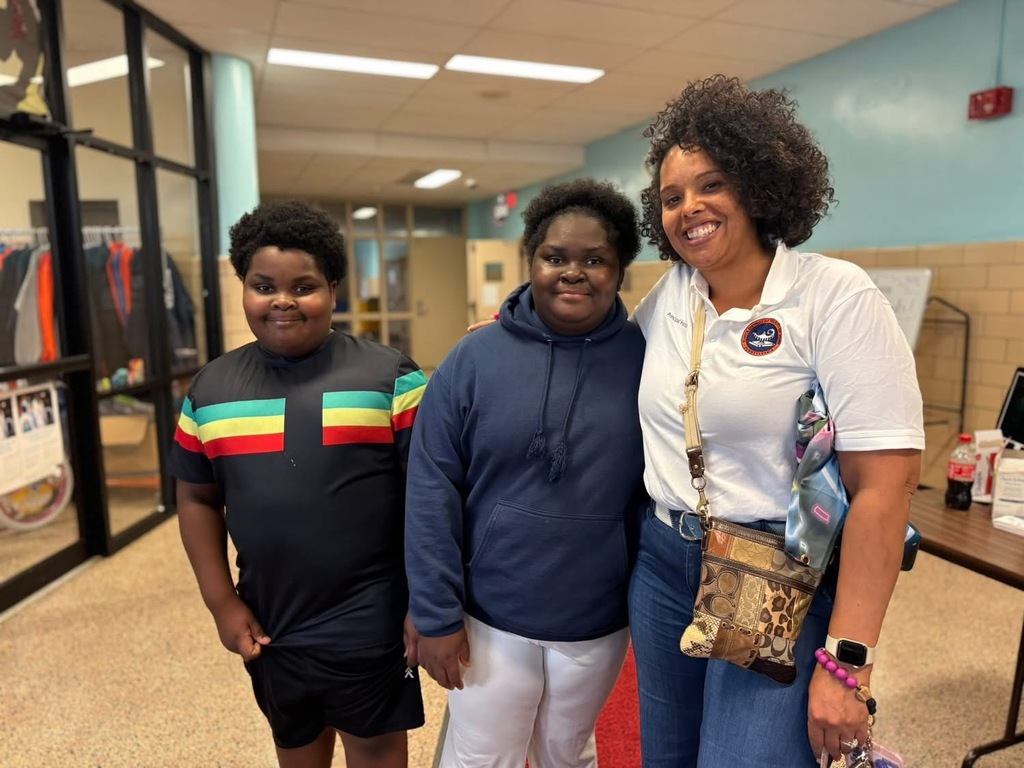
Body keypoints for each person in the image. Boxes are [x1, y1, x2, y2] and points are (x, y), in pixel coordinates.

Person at [627, 74, 925, 767]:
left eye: (710, 186)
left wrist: (849, 664)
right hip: (665, 563)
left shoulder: (833, 295)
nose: (689, 209)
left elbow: (885, 485)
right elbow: (598, 362)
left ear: (759, 186)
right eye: (672, 198)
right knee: (665, 756)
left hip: (775, 571)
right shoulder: (669, 300)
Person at [169, 200, 426, 768]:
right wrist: (221, 603)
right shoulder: (211, 390)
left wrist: (428, 601)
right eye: (263, 285)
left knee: (377, 748)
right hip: (272, 620)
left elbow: (428, 498)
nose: (282, 300)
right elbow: (196, 498)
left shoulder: (389, 377)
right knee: (296, 745)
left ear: (333, 288)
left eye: (303, 286)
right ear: (242, 287)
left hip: (372, 617)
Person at [405, 178, 648, 768]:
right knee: (483, 757)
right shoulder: (472, 359)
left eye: (595, 259)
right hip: (491, 611)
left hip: (596, 617)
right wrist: (435, 613)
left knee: (568, 753)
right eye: (555, 257)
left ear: (620, 271)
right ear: (530, 260)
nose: (573, 272)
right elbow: (430, 487)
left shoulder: (646, 359)